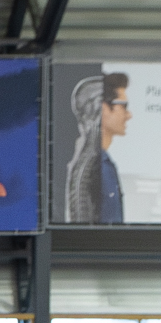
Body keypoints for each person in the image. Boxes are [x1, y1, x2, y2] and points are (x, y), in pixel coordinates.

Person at [65, 72, 129, 224]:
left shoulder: (102, 162)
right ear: (103, 108)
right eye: (124, 106)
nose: (129, 114)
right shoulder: (90, 166)